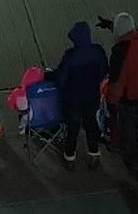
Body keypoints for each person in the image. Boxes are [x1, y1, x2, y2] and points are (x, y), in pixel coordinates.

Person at [49, 21, 109, 170]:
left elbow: (61, 79)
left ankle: (70, 156)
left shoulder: (71, 56)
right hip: (92, 97)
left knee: (73, 126)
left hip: (73, 99)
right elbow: (103, 72)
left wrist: (49, 75)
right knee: (91, 124)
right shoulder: (98, 52)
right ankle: (94, 153)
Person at [107, 12, 138, 172]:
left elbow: (117, 82)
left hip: (129, 98)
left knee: (129, 130)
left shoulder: (119, 52)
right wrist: (111, 25)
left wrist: (112, 101)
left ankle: (133, 160)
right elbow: (128, 34)